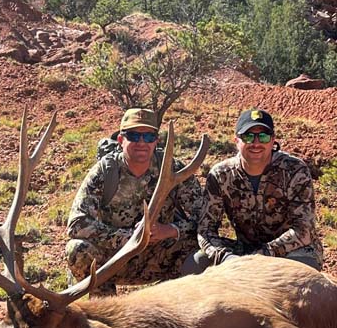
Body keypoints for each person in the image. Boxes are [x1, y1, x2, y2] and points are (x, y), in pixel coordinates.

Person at [66, 108, 203, 296]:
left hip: (159, 255)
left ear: (156, 141)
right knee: (78, 250)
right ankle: (105, 308)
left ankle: (166, 305)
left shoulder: (173, 168)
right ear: (121, 140)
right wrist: (130, 237)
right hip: (116, 258)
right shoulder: (105, 171)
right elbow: (76, 225)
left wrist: (170, 230)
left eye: (148, 136)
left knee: (201, 251)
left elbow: (205, 217)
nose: (141, 142)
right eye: (133, 135)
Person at [183, 108, 323, 274]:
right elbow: (205, 230)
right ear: (236, 140)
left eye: (263, 136)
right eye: (248, 136)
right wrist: (226, 258)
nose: (256, 143)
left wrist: (263, 255)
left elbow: (303, 230)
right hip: (244, 251)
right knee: (194, 265)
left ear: (273, 140)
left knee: (300, 271)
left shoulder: (295, 170)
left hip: (289, 251)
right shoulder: (220, 175)